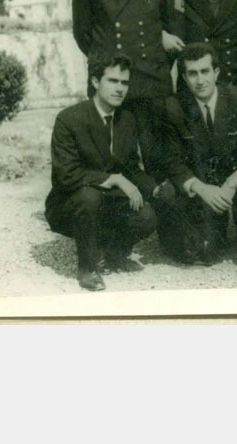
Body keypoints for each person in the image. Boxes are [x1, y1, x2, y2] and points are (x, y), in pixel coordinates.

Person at [71, 0, 184, 177]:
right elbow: (82, 33)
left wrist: (155, 56)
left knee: (159, 161)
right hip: (111, 82)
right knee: (111, 161)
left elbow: (175, 29)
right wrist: (106, 64)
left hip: (151, 82)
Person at [44, 55, 159, 291]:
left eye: (124, 83)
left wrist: (156, 188)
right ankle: (87, 268)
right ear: (95, 82)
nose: (120, 88)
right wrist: (112, 178)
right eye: (113, 81)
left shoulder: (126, 119)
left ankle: (114, 254)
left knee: (146, 216)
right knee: (89, 197)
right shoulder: (69, 119)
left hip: (106, 201)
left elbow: (131, 168)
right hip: (70, 203)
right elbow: (66, 175)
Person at [158, 42, 237, 266]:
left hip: (235, 182)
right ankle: (213, 229)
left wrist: (234, 182)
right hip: (203, 186)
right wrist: (202, 189)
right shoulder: (173, 108)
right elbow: (171, 160)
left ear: (216, 72)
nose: (200, 80)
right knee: (205, 253)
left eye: (205, 71)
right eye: (193, 74)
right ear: (184, 78)